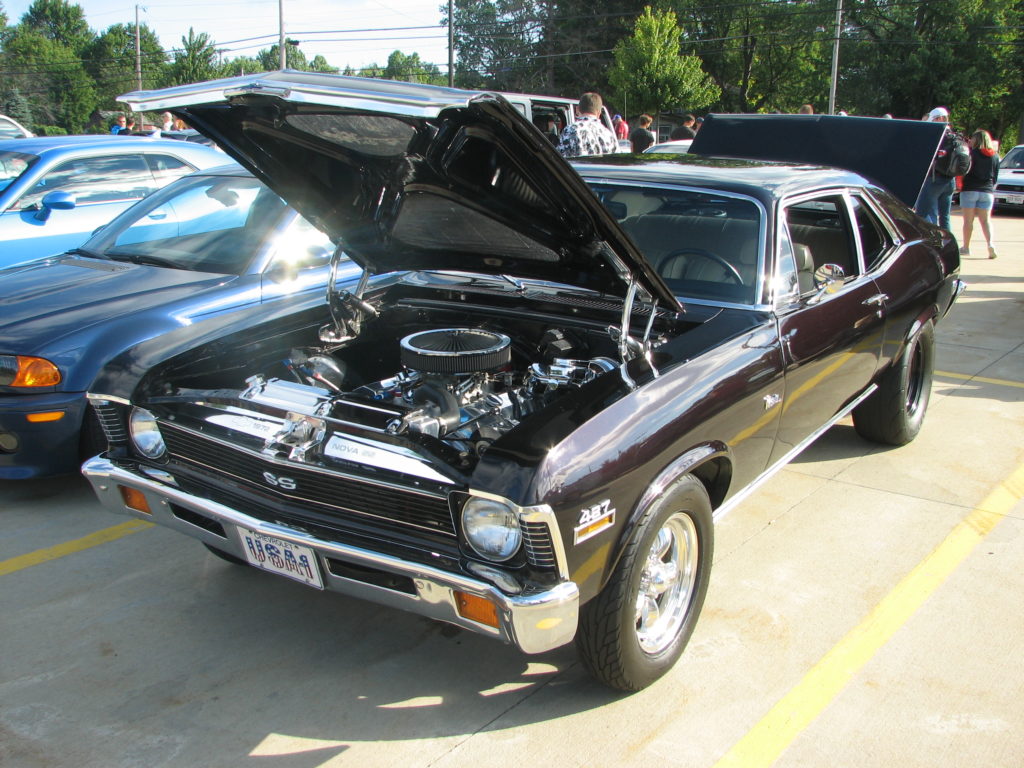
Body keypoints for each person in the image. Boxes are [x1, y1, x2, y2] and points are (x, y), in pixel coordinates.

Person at [914, 107, 958, 230]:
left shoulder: (937, 135)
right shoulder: (953, 136)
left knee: (922, 214)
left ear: (938, 118)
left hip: (934, 179)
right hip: (950, 180)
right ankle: (947, 244)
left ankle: (934, 242)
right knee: (945, 216)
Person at [960, 128, 1000, 259]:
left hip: (970, 189)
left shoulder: (971, 154)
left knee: (968, 221)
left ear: (976, 140)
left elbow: (964, 171)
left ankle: (966, 247)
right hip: (987, 191)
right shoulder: (995, 156)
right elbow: (995, 176)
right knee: (986, 221)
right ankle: (990, 244)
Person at [556, 92, 618, 158]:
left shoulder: (570, 130)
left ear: (578, 109)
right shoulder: (609, 135)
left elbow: (559, 158)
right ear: (599, 112)